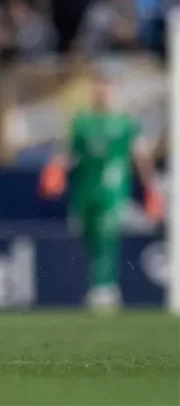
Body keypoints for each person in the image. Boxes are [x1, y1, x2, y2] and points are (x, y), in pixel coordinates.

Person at [39, 71, 163, 313]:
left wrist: (151, 188)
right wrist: (54, 171)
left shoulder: (125, 123)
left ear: (114, 92)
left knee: (107, 235)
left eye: (106, 88)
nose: (102, 92)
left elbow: (140, 156)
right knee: (89, 235)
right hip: (85, 190)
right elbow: (66, 152)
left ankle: (104, 288)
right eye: (98, 88)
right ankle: (100, 286)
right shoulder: (82, 122)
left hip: (113, 191)